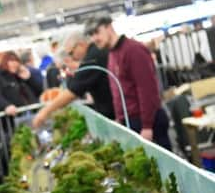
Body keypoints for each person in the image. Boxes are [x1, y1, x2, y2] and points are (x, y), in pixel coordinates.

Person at [87, 15, 172, 150]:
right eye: (91, 35)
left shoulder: (133, 50)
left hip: (148, 121)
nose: (94, 39)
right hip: (131, 121)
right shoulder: (112, 54)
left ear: (109, 27)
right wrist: (120, 119)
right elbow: (118, 91)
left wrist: (147, 126)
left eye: (97, 32)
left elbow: (147, 90)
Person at [32, 31, 115, 128]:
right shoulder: (93, 55)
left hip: (115, 111)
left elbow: (73, 91)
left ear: (81, 44)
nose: (72, 57)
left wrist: (45, 112)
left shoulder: (92, 58)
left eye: (71, 53)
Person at [0, 50, 43, 115]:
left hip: (33, 112)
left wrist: (28, 77)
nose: (15, 63)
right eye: (11, 61)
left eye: (16, 61)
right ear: (5, 61)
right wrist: (6, 106)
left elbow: (38, 90)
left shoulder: (19, 75)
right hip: (14, 117)